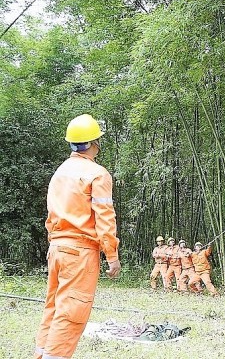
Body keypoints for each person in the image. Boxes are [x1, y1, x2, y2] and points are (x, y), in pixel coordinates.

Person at [34, 114, 121, 359]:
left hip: (57, 249)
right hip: (80, 252)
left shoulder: (59, 172)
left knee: (53, 306)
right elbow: (104, 217)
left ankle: (40, 355)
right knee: (72, 313)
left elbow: (51, 215)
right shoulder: (97, 174)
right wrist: (112, 255)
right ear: (94, 143)